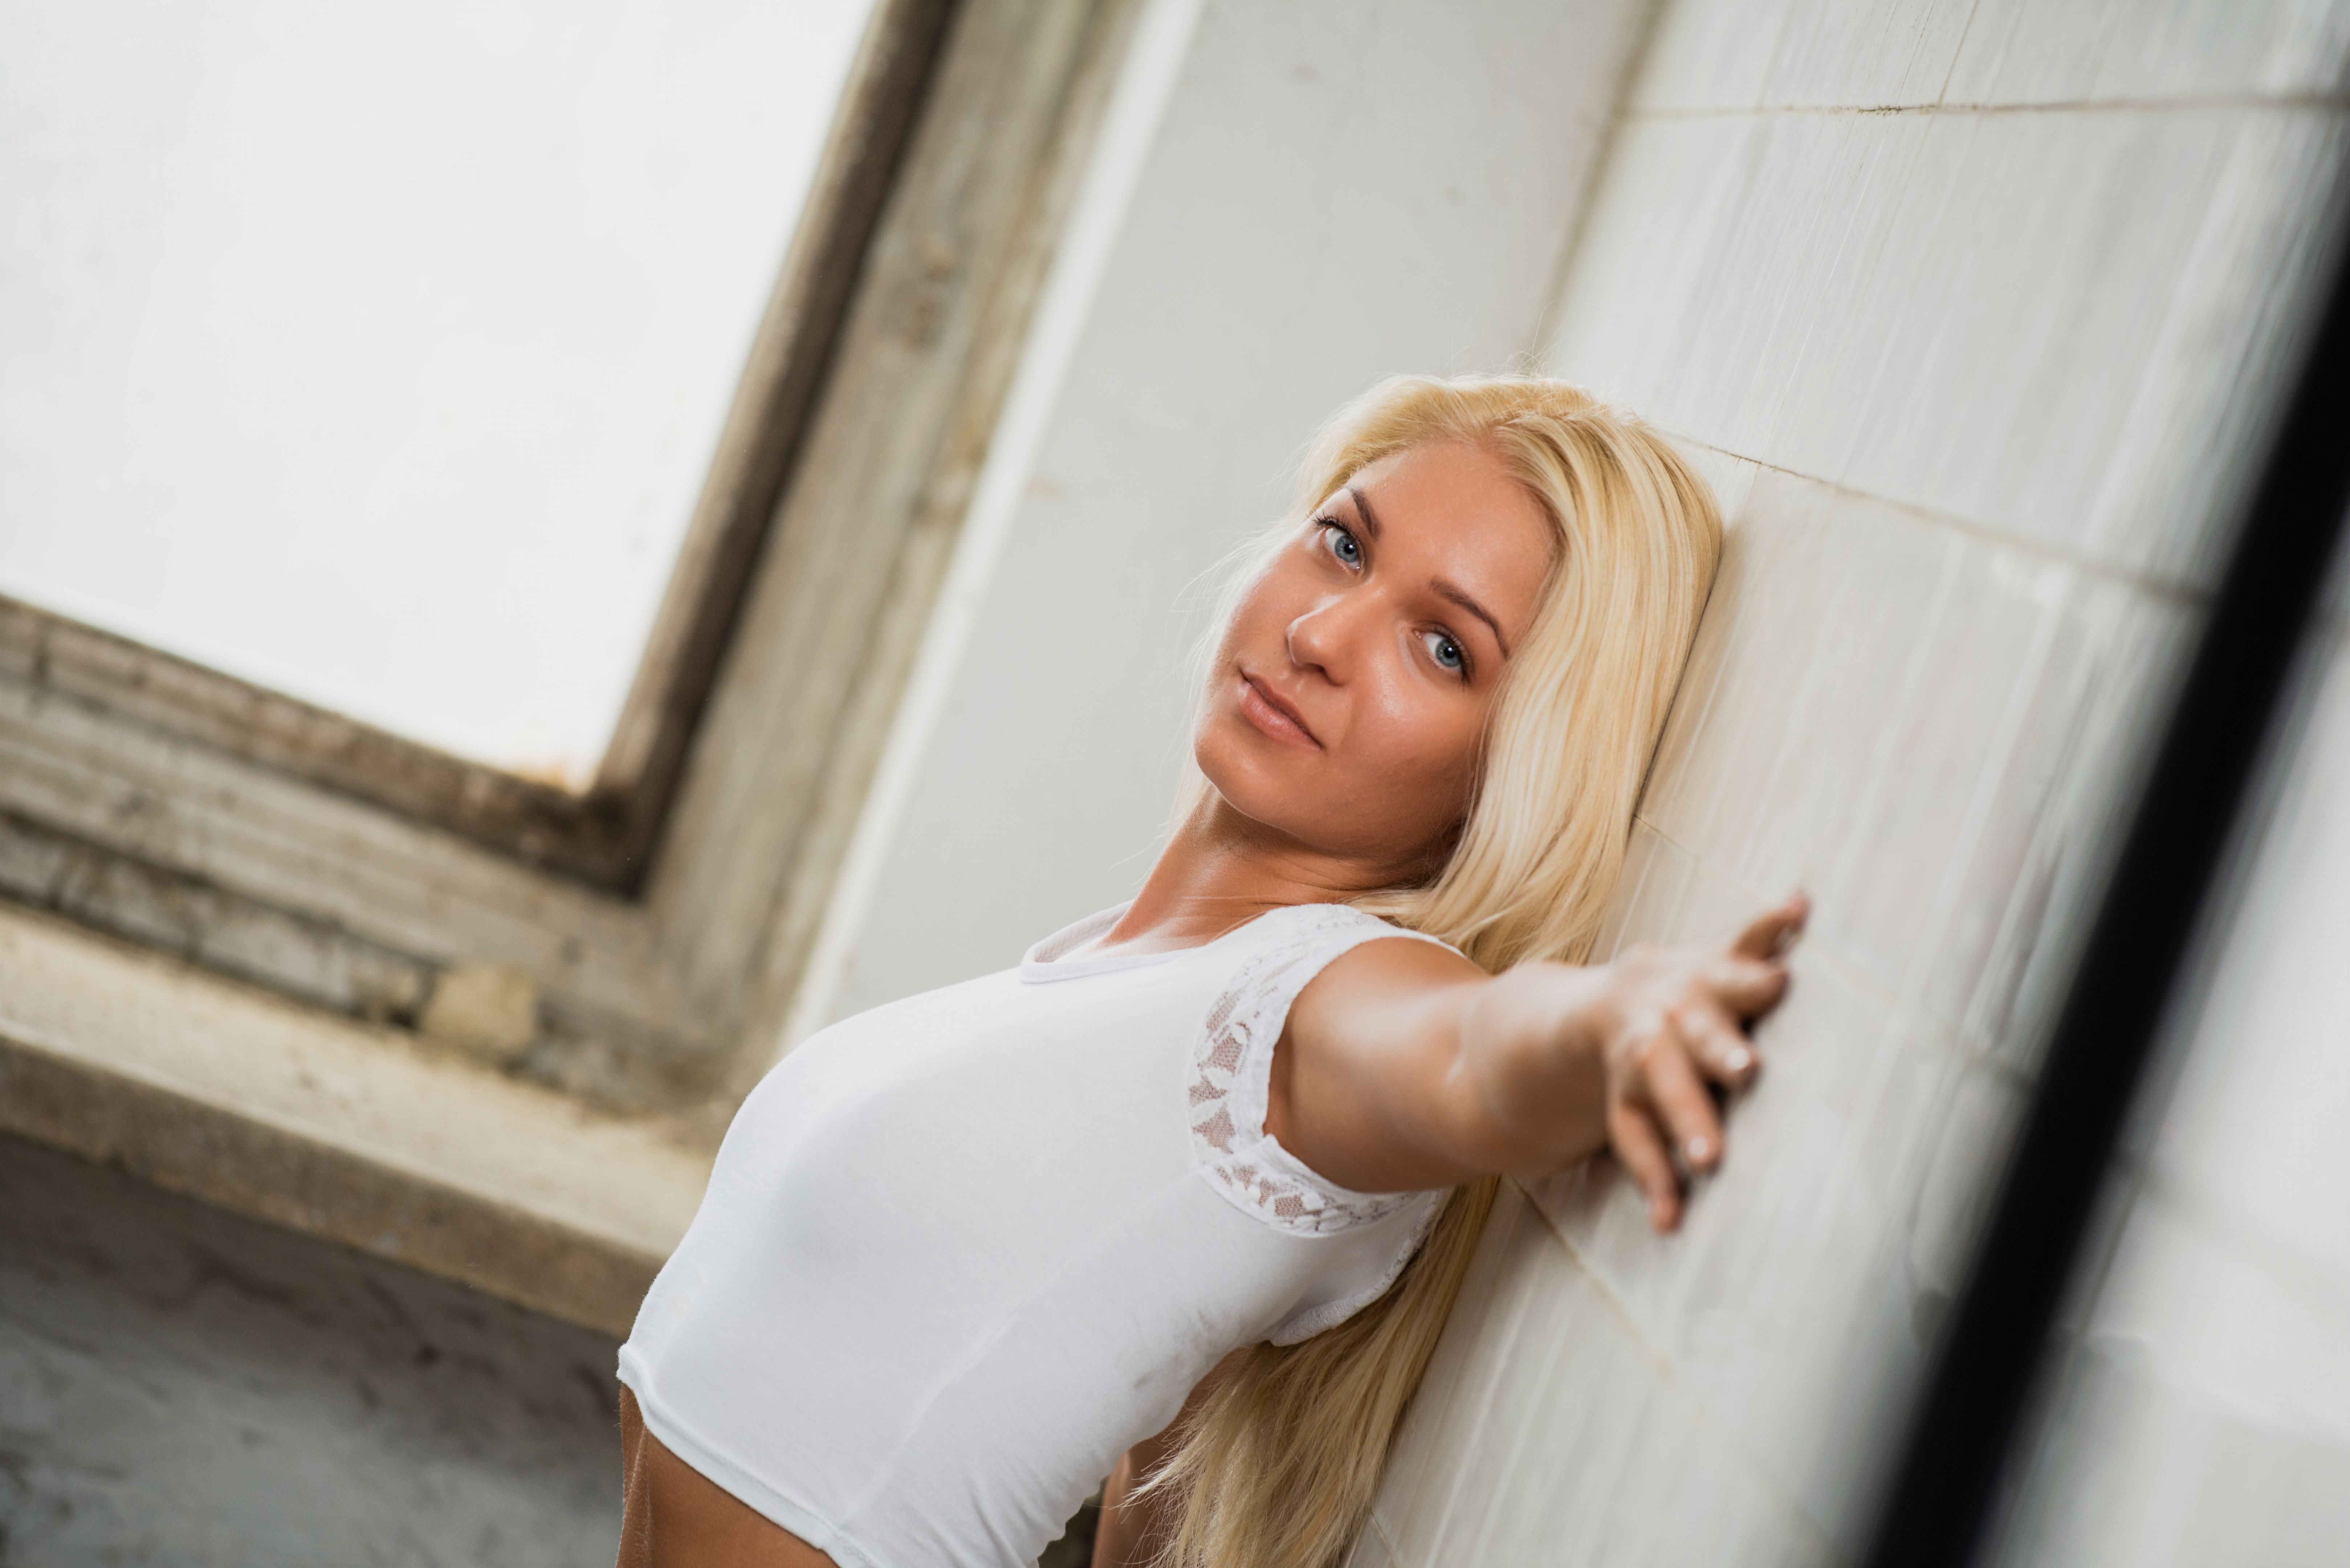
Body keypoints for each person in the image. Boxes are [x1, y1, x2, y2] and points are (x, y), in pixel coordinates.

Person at [613, 374, 1805, 1568]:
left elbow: (1471, 1056)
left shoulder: (1323, 1000)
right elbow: (1164, 1458)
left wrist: (1609, 1020)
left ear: (1516, 769)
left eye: (1443, 648)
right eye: (1342, 545)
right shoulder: (1140, 988)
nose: (1319, 636)